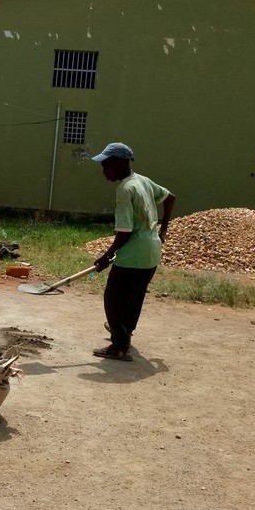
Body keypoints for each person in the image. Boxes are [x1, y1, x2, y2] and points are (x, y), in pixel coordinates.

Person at [90, 142, 176, 361]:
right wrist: (163, 230)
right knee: (133, 298)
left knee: (113, 297)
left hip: (134, 254)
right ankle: (123, 333)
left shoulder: (125, 189)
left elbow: (125, 232)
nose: (104, 172)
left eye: (106, 166)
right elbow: (170, 198)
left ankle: (119, 345)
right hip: (151, 251)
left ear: (119, 163)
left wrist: (105, 255)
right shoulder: (143, 181)